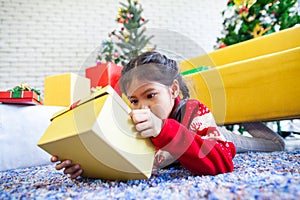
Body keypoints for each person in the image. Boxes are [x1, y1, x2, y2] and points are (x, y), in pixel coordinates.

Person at [51, 51, 285, 179]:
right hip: (188, 141)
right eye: (134, 100)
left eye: (150, 95)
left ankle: (249, 120)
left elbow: (222, 162)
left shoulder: (193, 109)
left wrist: (164, 130)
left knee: (273, 145)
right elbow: (126, 164)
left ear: (173, 90)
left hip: (214, 136)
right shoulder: (136, 124)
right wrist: (87, 166)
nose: (141, 107)